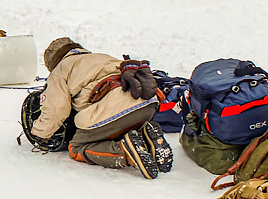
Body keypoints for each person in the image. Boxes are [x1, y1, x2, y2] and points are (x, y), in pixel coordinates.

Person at [32, 37, 174, 179]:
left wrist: (39, 133)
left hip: (117, 110)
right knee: (114, 127)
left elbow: (56, 111)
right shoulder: (102, 57)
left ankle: (124, 151)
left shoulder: (61, 70)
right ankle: (147, 137)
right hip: (148, 104)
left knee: (77, 147)